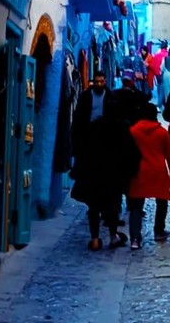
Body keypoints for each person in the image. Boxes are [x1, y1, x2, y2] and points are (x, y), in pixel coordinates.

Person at [71, 71, 137, 250]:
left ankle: (94, 239)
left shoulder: (93, 132)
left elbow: (82, 143)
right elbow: (130, 152)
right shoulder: (120, 130)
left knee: (94, 206)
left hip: (94, 173)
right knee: (113, 205)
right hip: (112, 175)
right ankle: (113, 236)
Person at [126, 101, 170, 249]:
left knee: (136, 205)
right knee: (161, 202)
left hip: (138, 171)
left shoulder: (133, 131)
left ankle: (135, 239)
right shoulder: (162, 133)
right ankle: (159, 231)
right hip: (158, 170)